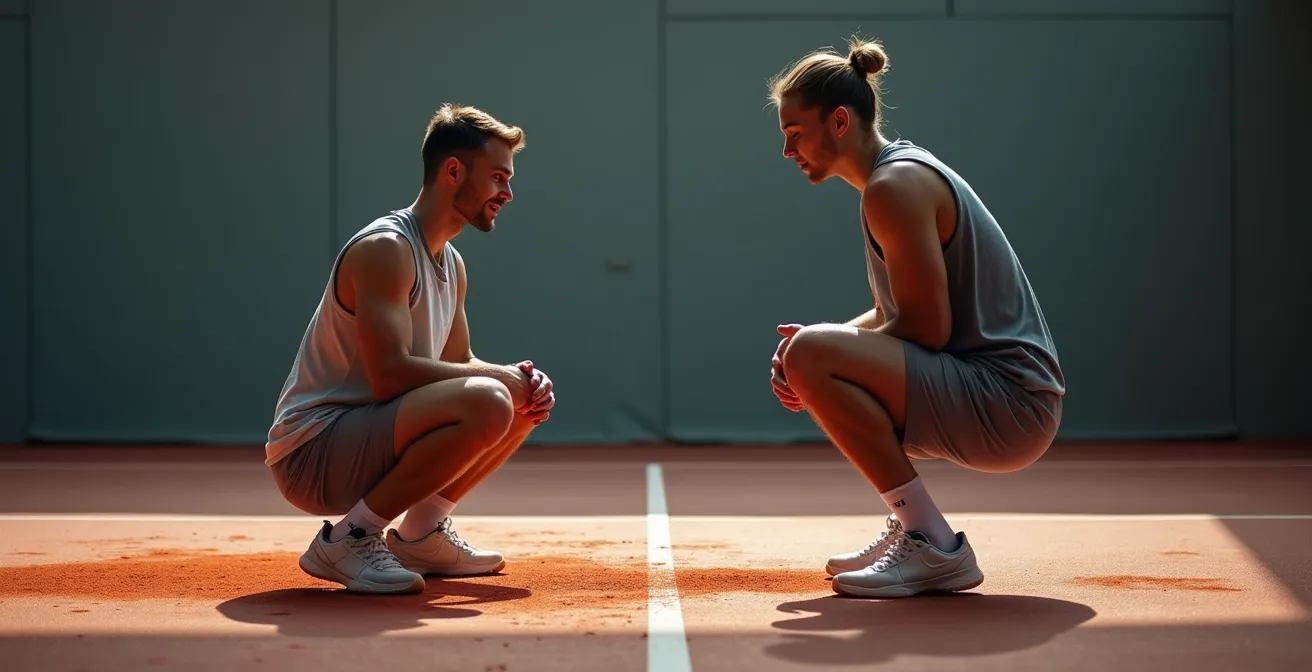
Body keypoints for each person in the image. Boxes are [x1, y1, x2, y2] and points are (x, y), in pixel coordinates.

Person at [765, 38, 1065, 598]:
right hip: (998, 395)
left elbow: (927, 330)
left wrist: (815, 351)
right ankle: (915, 525)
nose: (787, 150)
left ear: (837, 121)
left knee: (811, 353)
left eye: (794, 132)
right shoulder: (890, 180)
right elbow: (894, 313)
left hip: (1010, 404)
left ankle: (934, 545)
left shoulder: (893, 187)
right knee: (810, 353)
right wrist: (818, 350)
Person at [264, 103, 556, 594]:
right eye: (498, 178)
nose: (507, 193)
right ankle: (348, 538)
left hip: (366, 435)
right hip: (311, 453)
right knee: (489, 399)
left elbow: (458, 364)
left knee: (518, 399)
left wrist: (514, 376)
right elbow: (391, 376)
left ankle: (422, 533)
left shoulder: (452, 263)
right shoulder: (387, 249)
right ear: (453, 171)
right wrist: (496, 383)